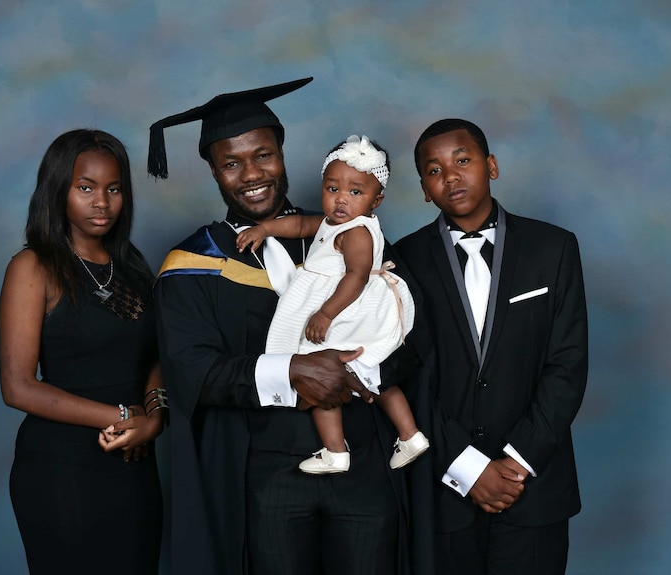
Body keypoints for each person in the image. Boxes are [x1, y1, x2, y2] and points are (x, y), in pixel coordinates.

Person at [149, 78, 426, 574]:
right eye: (231, 163)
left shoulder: (346, 234)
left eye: (263, 155)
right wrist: (292, 371)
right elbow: (192, 370)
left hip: (364, 464)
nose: (251, 174)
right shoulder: (192, 265)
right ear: (213, 171)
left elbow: (409, 331)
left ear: (282, 154)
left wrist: (363, 369)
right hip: (263, 470)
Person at [393, 119, 588, 574]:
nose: (452, 176)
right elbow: (406, 375)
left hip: (534, 490)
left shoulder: (553, 248)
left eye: (463, 160)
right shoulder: (401, 259)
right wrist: (467, 467)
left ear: (492, 165)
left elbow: (568, 364)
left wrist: (516, 463)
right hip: (444, 493)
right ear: (424, 188)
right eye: (435, 170)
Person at [0, 129, 165, 574]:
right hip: (60, 468)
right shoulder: (33, 267)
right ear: (59, 190)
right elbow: (17, 388)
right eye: (85, 188)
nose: (102, 203)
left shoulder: (130, 264)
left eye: (114, 189)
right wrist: (124, 417)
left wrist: (153, 418)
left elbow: (154, 356)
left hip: (132, 464)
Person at [235, 134, 428, 475]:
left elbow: (356, 276)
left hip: (346, 305)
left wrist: (324, 314)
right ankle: (409, 435)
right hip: (342, 303)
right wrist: (265, 228)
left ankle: (336, 451)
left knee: (318, 368)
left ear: (376, 200)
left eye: (356, 192)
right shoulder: (333, 223)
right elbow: (299, 225)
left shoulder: (357, 232)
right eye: (332, 188)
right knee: (371, 375)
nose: (341, 200)